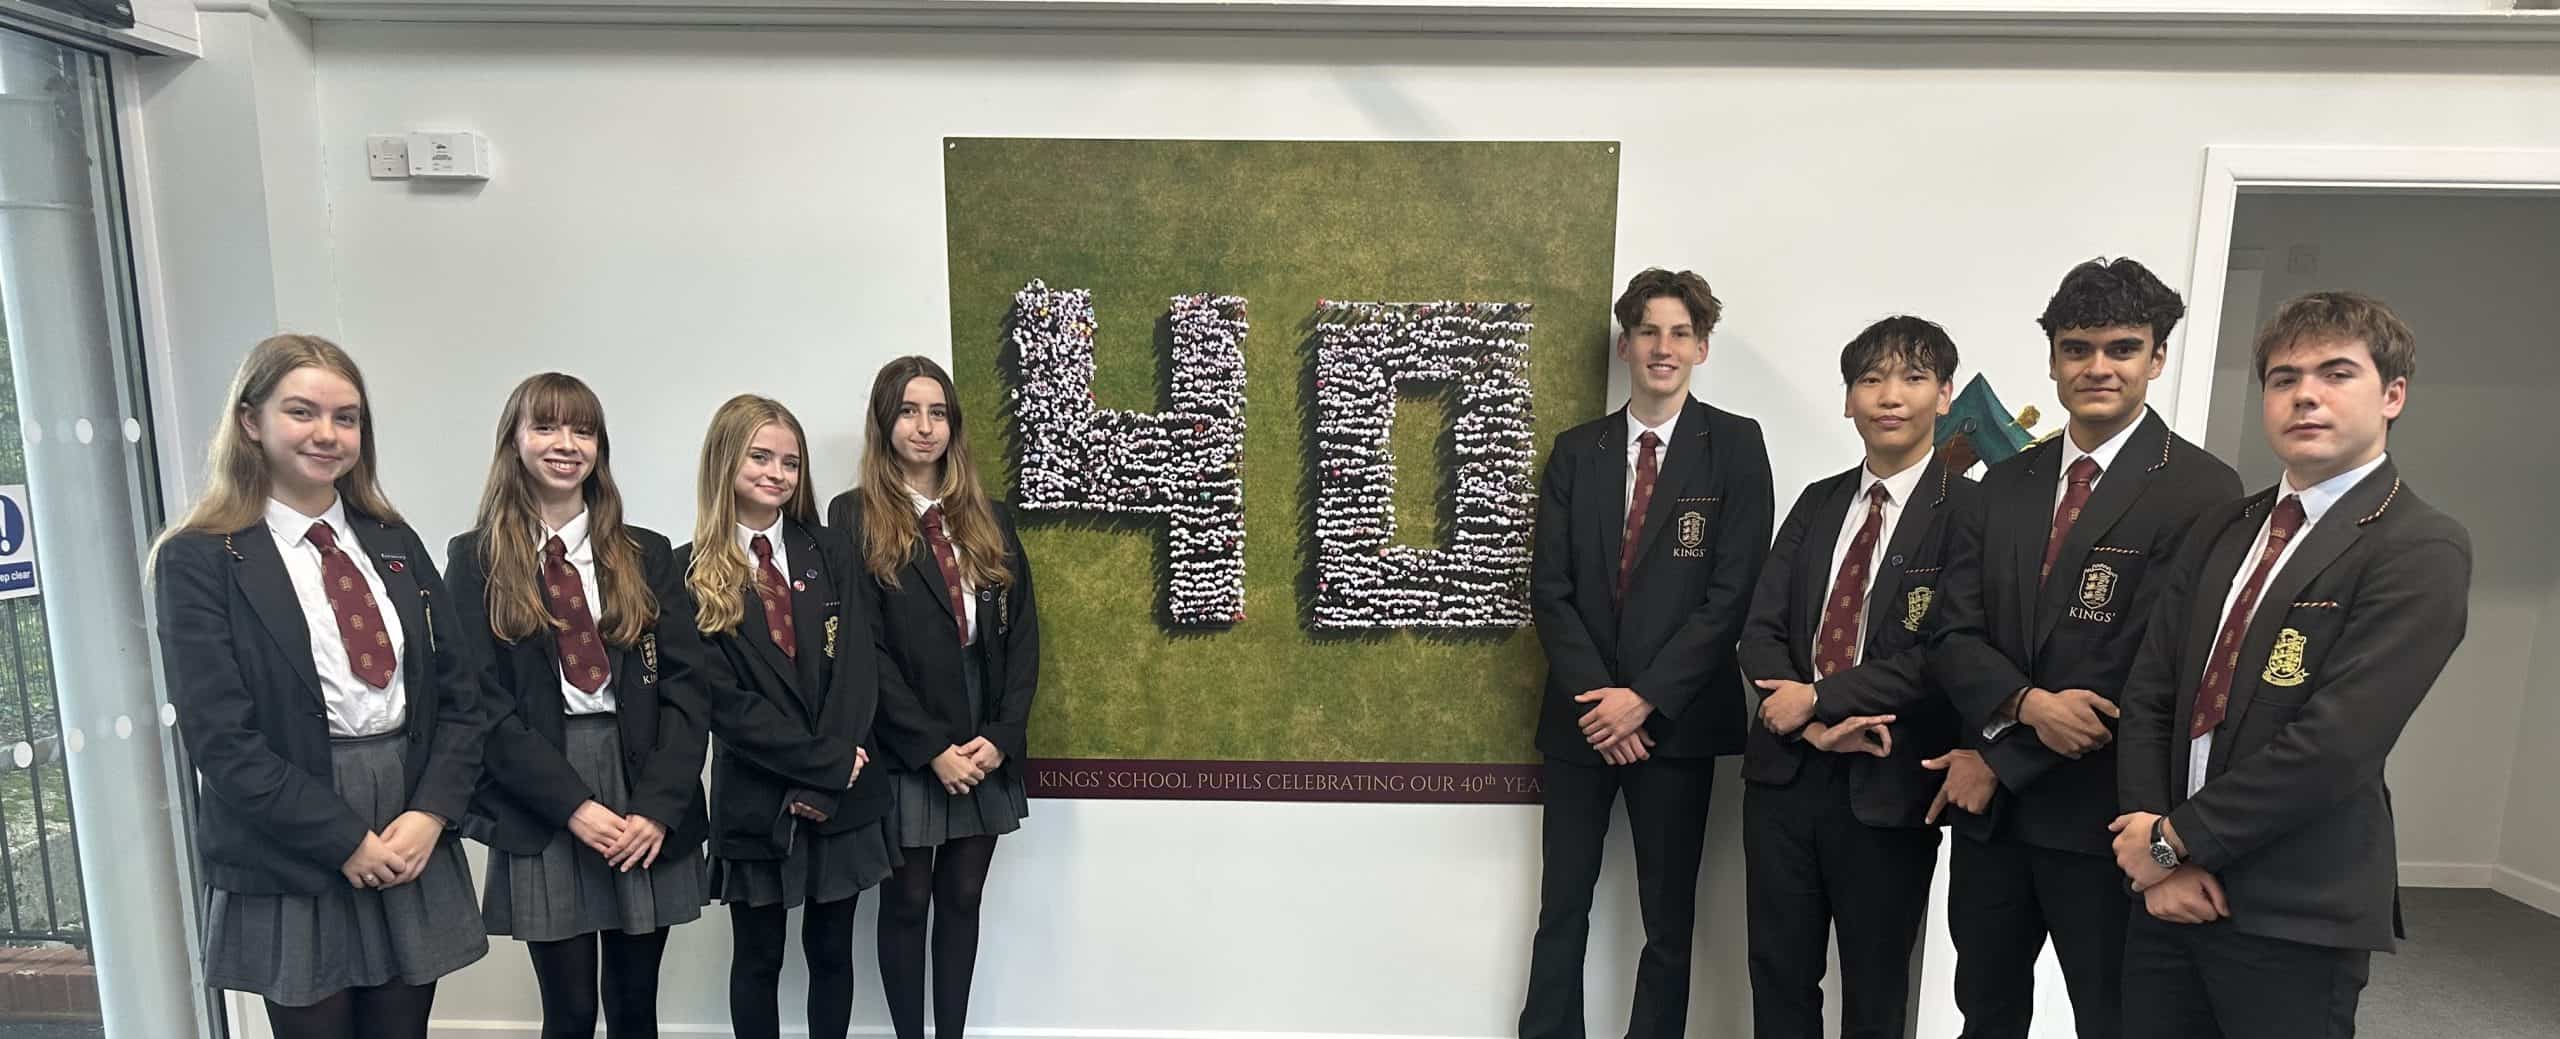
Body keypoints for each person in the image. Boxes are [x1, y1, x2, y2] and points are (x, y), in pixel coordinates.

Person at [2112, 292, 2470, 1039]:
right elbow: (2151, 692)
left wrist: (2175, 840)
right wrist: (2156, 846)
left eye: (2336, 373)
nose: (2305, 393)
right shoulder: (2225, 526)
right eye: (2283, 377)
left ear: (2393, 394)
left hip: (2293, 905)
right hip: (2166, 894)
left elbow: (2336, 744)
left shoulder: (2418, 546)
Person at [1926, 258, 2241, 1039]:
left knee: (2112, 1016)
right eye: (2077, 348)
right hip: (1993, 823)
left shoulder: (2203, 489)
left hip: (2101, 816)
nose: (2097, 367)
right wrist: (2023, 707)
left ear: (2156, 358)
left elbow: (2152, 665)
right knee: (1985, 1013)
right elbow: (1950, 630)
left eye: (2122, 348)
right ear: (2054, 359)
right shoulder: (2002, 484)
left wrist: (1998, 755)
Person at [151, 334, 492, 1039]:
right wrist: (345, 840)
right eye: (302, 412)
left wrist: (430, 814)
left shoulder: (394, 541)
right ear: (251, 420)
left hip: (406, 816)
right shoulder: (198, 559)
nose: (328, 434)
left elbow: (463, 698)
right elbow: (222, 740)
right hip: (293, 828)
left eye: (347, 417)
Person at [1518, 267, 1775, 1039]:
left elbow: (1731, 595)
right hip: (1581, 721)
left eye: (1680, 332)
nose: (1663, 347)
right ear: (1625, 344)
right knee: (1562, 903)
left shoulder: (1733, 445)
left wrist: (1646, 699)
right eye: (1649, 331)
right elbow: (1550, 590)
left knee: (1669, 916)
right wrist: (1603, 700)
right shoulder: (1577, 451)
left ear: (1701, 346)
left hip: (1678, 722)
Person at [447, 372, 709, 1037]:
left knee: (634, 1005)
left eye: (583, 429)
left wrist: (656, 806)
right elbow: (482, 704)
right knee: (569, 1012)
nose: (567, 444)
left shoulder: (647, 553)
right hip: (544, 790)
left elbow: (687, 691)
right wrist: (575, 807)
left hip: (642, 781)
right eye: (547, 426)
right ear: (514, 441)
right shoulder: (475, 559)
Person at [1739, 316, 1976, 1039]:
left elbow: (1946, 651)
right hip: (1785, 774)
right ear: (1848, 400)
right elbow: (1761, 628)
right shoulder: (1818, 500)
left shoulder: (1971, 512)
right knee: (1779, 972)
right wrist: (1810, 719)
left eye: (1911, 377)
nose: (1889, 395)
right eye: (1871, 379)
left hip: (1889, 784)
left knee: (1876, 988)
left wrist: (1824, 697)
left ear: (1945, 394)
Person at [825, 357, 1039, 1039]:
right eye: (910, 411)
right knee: (910, 897)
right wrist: (931, 749)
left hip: (983, 726)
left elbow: (1024, 635)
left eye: (938, 412)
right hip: (907, 733)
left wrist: (1002, 734)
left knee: (963, 894)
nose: (925, 427)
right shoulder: (853, 515)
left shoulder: (990, 516)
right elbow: (865, 651)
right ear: (885, 423)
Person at [682, 394, 897, 1039]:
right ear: (725, 460)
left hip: (844, 789)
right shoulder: (686, 567)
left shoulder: (831, 551)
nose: (777, 474)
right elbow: (722, 703)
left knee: (832, 954)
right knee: (758, 958)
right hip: (758, 797)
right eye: (761, 457)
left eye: (790, 463)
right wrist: (816, 764)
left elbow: (858, 668)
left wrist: (828, 772)